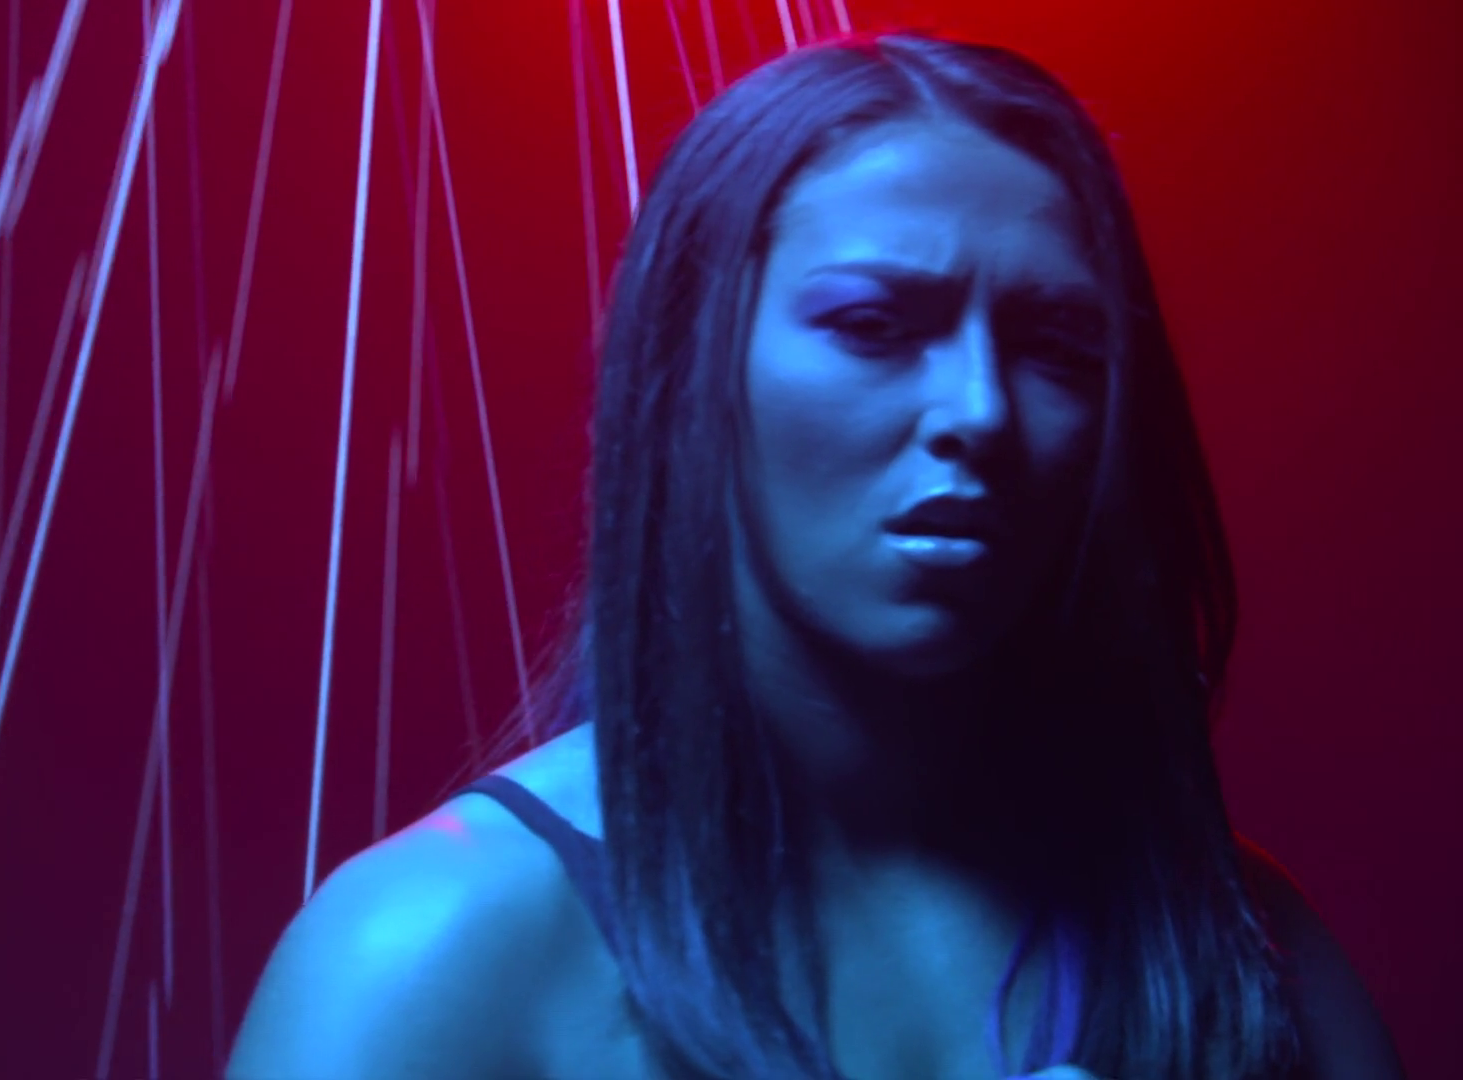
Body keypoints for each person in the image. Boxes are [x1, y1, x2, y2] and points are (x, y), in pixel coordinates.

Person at [225, 32, 1404, 1080]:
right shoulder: (433, 947)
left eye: (1055, 343)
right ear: (696, 367)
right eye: (873, 325)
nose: (981, 409)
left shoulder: (1246, 947)